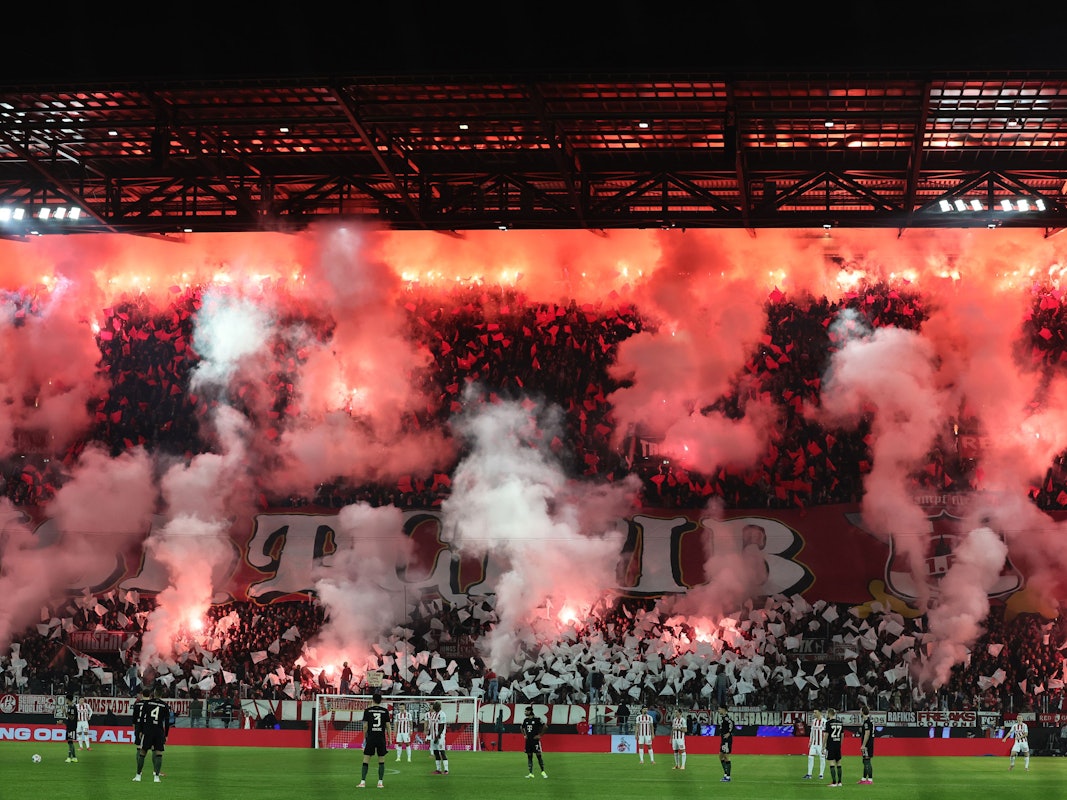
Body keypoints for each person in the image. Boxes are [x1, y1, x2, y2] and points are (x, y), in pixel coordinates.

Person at [133, 684, 170, 783]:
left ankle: (138, 776)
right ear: (162, 695)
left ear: (153, 694)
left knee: (143, 752)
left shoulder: (148, 703)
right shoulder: (165, 705)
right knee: (158, 752)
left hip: (148, 730)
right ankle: (156, 777)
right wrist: (166, 735)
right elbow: (167, 722)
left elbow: (141, 718)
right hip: (159, 731)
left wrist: (140, 730)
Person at [357, 692, 392, 789]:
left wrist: (365, 738)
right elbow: (388, 726)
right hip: (381, 738)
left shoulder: (367, 711)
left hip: (371, 738)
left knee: (366, 759)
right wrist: (390, 738)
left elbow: (365, 726)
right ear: (381, 701)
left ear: (372, 700)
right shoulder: (385, 711)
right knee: (381, 760)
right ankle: (380, 783)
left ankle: (362, 782)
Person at [521, 705, 548, 778]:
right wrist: (524, 735)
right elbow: (522, 727)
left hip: (535, 741)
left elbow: (545, 726)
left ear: (530, 711)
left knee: (538, 756)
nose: (525, 712)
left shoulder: (537, 719)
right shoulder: (525, 720)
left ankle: (543, 772)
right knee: (529, 756)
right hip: (528, 741)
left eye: (526, 711)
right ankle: (530, 773)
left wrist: (540, 735)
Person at [426, 700, 449, 775]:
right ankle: (438, 769)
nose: (434, 707)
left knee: (442, 752)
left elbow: (442, 727)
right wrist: (428, 735)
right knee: (436, 753)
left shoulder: (442, 714)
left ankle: (446, 770)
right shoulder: (433, 714)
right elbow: (431, 725)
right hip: (433, 736)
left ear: (439, 707)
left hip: (440, 737)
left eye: (435, 705)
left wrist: (437, 737)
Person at [803, 708, 826, 780]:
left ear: (820, 713)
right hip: (814, 743)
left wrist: (825, 744)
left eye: (815, 712)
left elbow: (826, 734)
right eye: (814, 712)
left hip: (821, 744)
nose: (814, 714)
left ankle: (821, 774)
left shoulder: (824, 722)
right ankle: (809, 774)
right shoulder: (813, 721)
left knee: (822, 758)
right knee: (810, 757)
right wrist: (810, 741)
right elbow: (812, 732)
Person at [825, 708, 844, 787]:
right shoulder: (840, 723)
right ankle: (839, 782)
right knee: (839, 763)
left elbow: (826, 735)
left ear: (829, 714)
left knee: (832, 763)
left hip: (831, 744)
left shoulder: (828, 723)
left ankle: (834, 782)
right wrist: (840, 744)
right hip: (837, 744)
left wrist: (823, 745)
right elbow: (842, 735)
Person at [858, 705, 874, 784]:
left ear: (863, 712)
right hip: (870, 743)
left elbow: (867, 734)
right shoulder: (869, 721)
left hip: (867, 744)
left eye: (860, 711)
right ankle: (864, 778)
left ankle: (870, 779)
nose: (859, 712)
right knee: (865, 761)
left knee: (867, 761)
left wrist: (863, 745)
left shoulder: (867, 722)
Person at [717, 704, 734, 782]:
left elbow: (732, 724)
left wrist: (729, 733)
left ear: (724, 709)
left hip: (727, 740)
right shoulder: (723, 718)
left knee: (726, 757)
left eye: (719, 709)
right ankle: (725, 773)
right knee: (721, 756)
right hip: (723, 739)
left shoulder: (727, 718)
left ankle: (728, 776)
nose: (718, 710)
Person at [63, 692, 78, 763]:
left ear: (68, 699)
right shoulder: (70, 707)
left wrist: (65, 713)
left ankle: (69, 757)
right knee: (70, 742)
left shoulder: (72, 707)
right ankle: (74, 757)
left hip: (71, 727)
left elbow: (72, 717)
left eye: (66, 699)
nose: (65, 701)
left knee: (70, 742)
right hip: (70, 726)